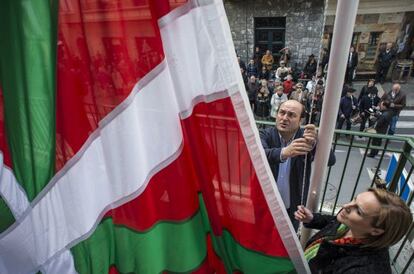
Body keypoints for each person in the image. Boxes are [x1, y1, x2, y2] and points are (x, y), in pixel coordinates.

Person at [295, 187, 412, 274]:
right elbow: (333, 222)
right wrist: (313, 219)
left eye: (359, 211)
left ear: (376, 231)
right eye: (354, 199)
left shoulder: (363, 269)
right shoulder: (352, 225)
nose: (346, 205)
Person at [260, 100, 336, 229]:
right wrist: (284, 152)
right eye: (282, 113)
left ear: (301, 121)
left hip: (292, 206)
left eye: (291, 115)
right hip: (264, 204)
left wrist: (316, 142)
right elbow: (258, 155)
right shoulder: (265, 134)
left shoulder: (306, 138)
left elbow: (330, 161)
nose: (284, 118)